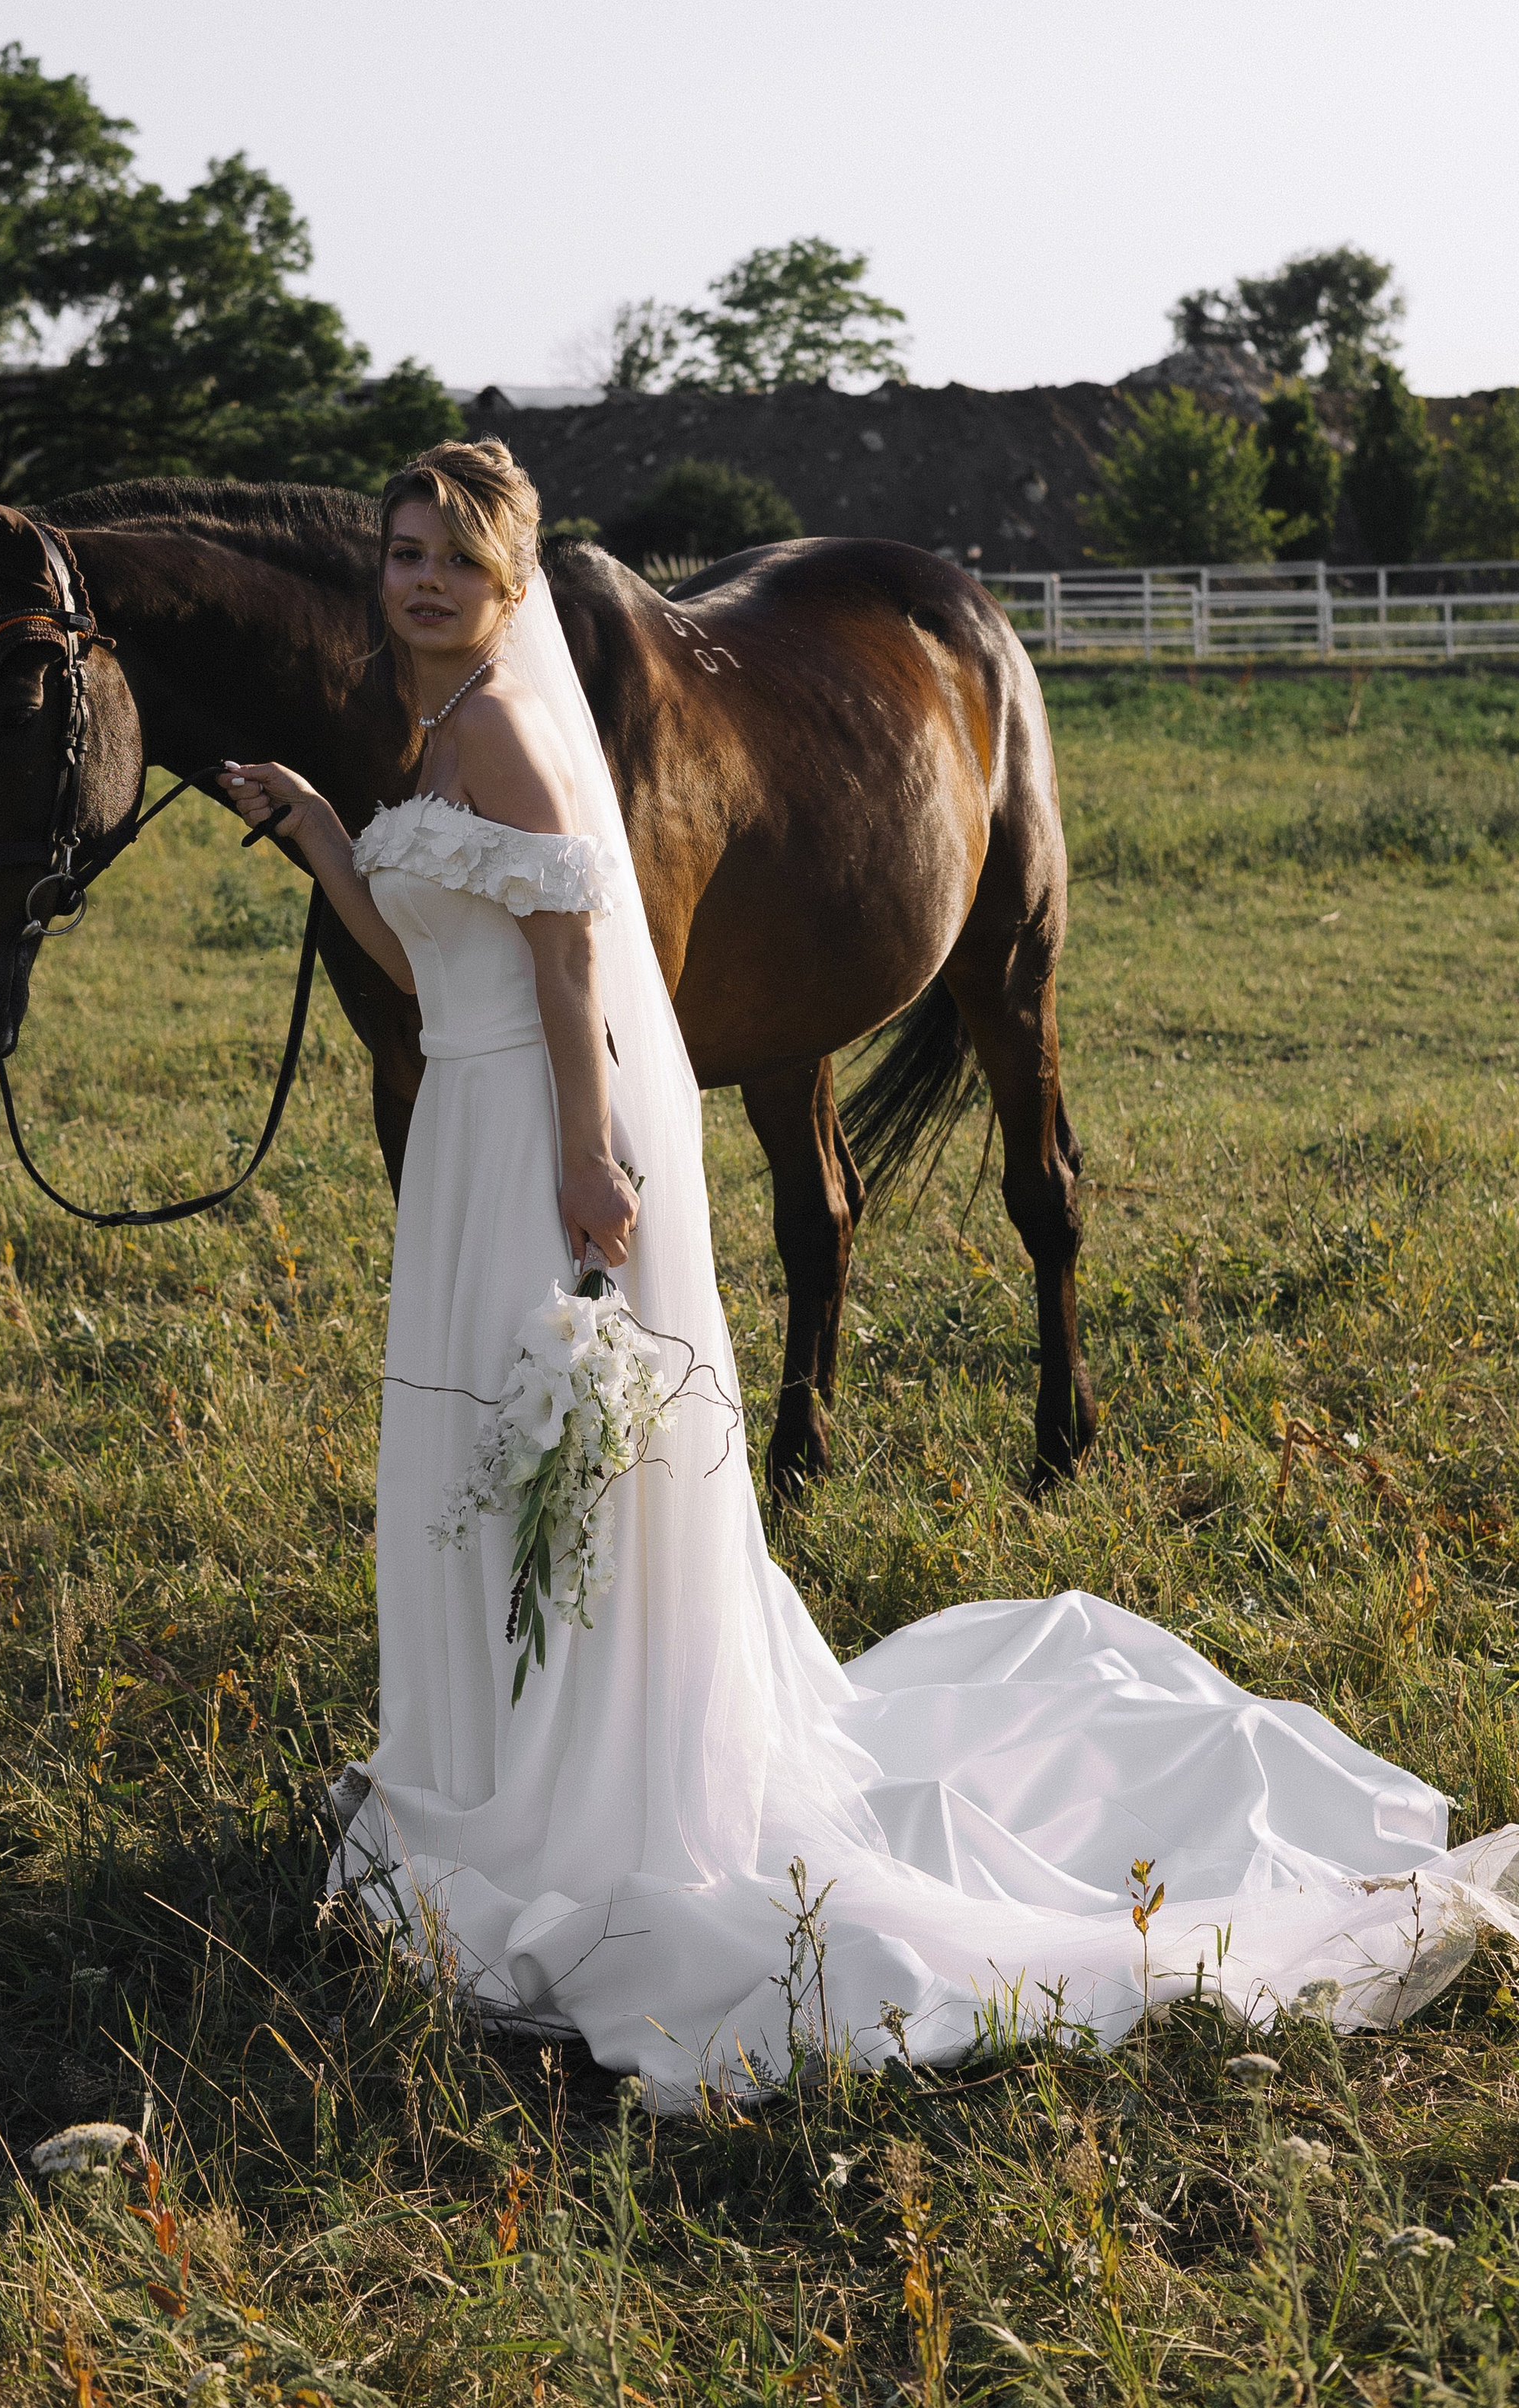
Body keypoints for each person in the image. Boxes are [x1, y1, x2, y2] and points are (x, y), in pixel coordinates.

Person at [221, 440, 1517, 2109]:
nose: (420, 583)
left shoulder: (505, 733)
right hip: (472, 1121)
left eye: (455, 564)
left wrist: (583, 1156)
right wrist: (327, 832)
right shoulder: (441, 729)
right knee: (486, 1443)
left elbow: (570, 965)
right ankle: (504, 1761)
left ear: (507, 583)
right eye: (404, 553)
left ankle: (581, 1786)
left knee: (548, 1442)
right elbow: (420, 960)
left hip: (526, 1127)